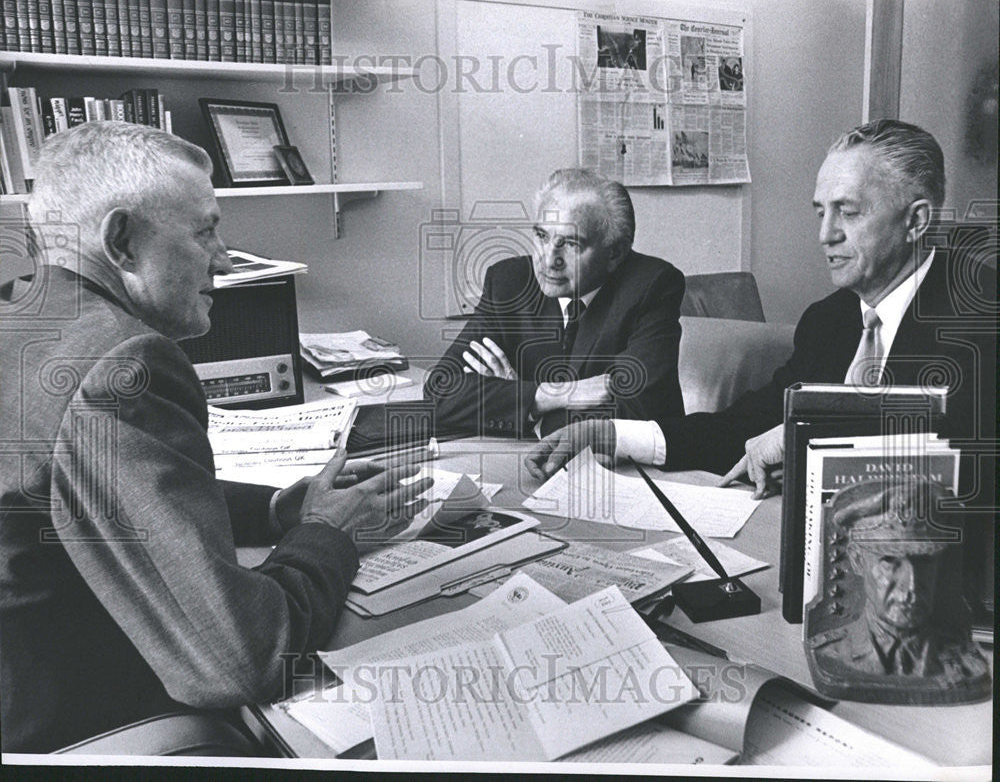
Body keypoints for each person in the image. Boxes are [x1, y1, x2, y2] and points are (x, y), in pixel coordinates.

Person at [0, 122, 432, 753]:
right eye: (205, 231)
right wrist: (328, 534)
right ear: (121, 240)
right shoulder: (122, 363)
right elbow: (236, 660)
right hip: (68, 718)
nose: (225, 258)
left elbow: (88, 490)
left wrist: (279, 508)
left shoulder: (25, 313)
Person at [526, 120, 995, 509]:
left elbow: (973, 467)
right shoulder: (829, 320)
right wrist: (611, 434)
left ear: (915, 221)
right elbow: (745, 426)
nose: (825, 235)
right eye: (820, 213)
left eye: (847, 213)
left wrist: (817, 444)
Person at [425, 168, 685, 439]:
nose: (549, 260)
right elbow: (440, 390)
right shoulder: (509, 282)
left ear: (615, 253)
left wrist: (519, 404)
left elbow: (634, 415)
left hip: (632, 472)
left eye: (571, 244)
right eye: (542, 236)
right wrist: (549, 395)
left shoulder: (651, 286)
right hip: (535, 461)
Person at [808, 479, 989, 702]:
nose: (910, 586)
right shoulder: (832, 652)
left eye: (924, 561)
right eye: (890, 562)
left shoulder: (965, 663)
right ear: (857, 560)